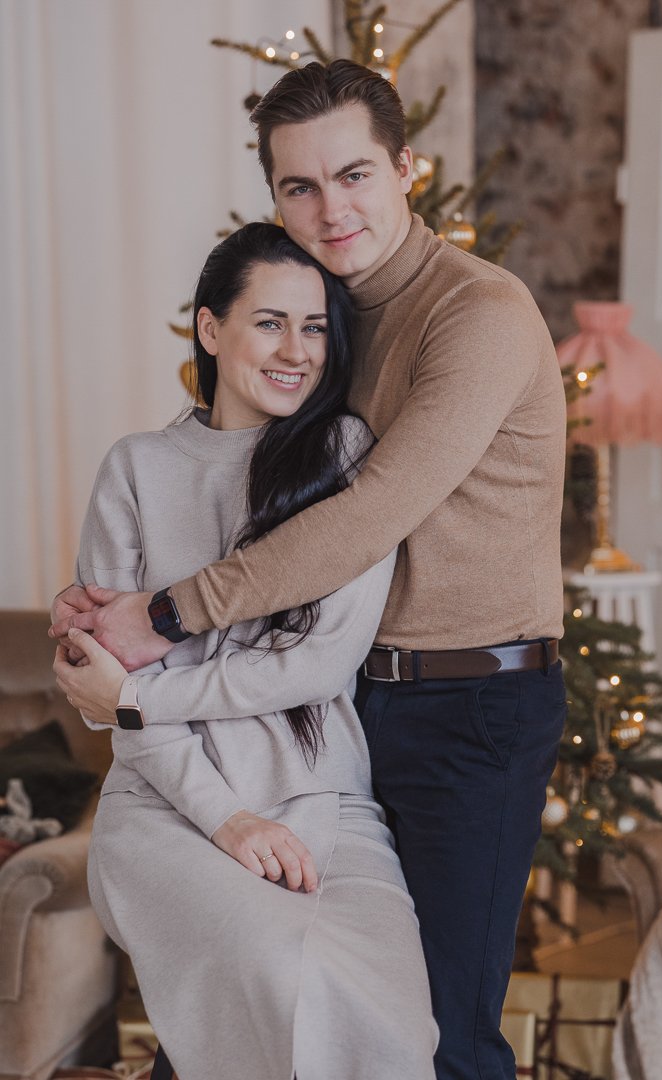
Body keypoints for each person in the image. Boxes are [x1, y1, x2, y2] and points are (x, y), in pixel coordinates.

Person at [52, 60, 568, 1080]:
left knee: (440, 1034)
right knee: (248, 1014)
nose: (332, 211)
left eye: (355, 175)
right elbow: (231, 477)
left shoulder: (479, 313)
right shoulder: (324, 312)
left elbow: (368, 516)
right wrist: (106, 601)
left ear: (407, 168)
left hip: (469, 706)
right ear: (275, 197)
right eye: (301, 186)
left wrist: (164, 615)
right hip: (341, 707)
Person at [53, 223, 438, 1080]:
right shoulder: (136, 469)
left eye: (315, 327)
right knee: (275, 968)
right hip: (167, 805)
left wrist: (134, 697)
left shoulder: (344, 457)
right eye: (270, 323)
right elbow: (112, 692)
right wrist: (226, 819)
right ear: (209, 327)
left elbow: (319, 664)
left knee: (389, 1024)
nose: (297, 351)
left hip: (322, 800)